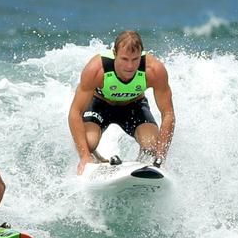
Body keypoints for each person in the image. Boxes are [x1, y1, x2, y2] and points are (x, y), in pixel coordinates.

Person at [68, 30, 175, 175]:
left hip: (134, 106)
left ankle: (141, 166)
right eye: (124, 59)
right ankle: (97, 160)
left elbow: (168, 114)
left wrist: (160, 157)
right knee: (89, 142)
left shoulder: (154, 70)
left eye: (135, 59)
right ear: (115, 54)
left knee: (151, 146)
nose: (130, 66)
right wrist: (85, 156)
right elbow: (75, 112)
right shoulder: (97, 70)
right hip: (100, 105)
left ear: (141, 55)